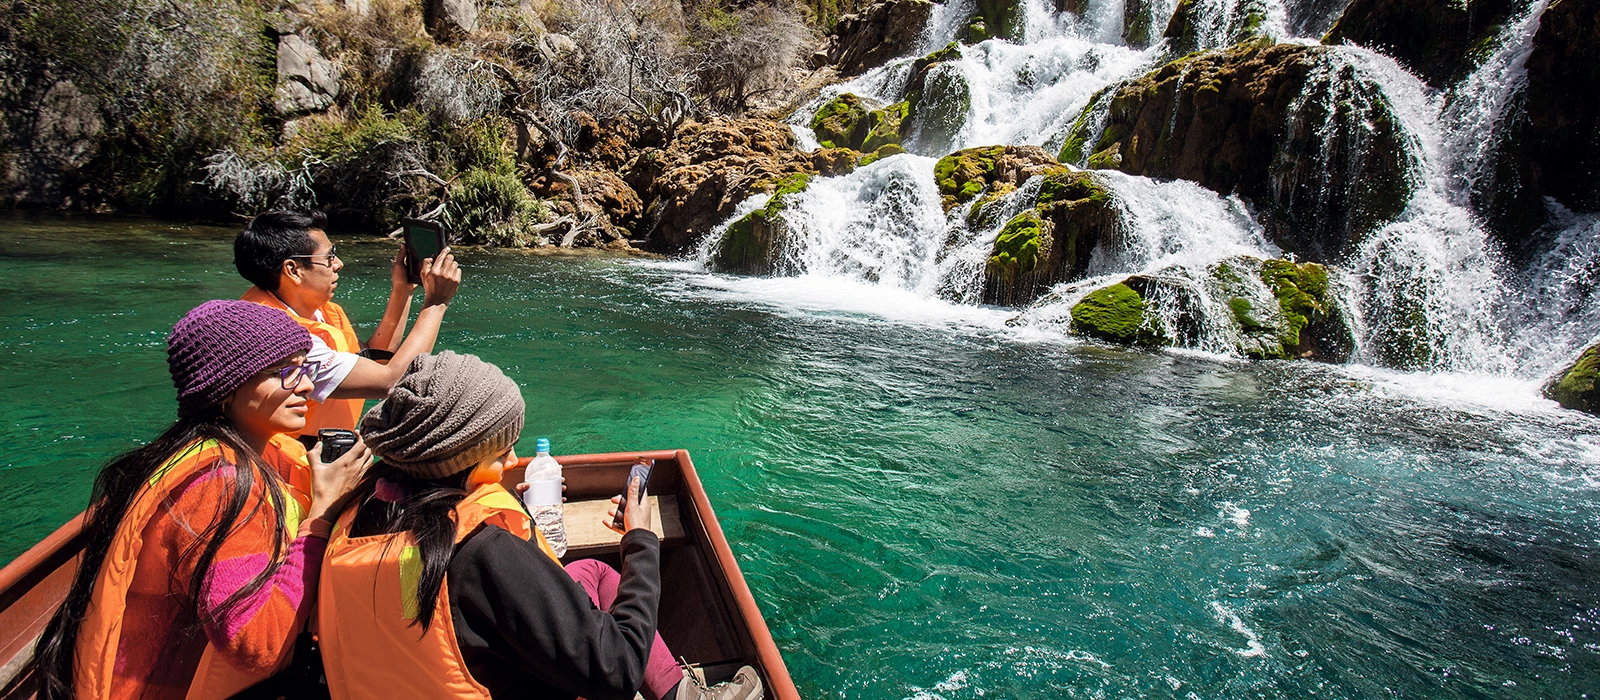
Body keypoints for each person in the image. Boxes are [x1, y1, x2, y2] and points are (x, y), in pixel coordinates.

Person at [316, 351, 762, 700]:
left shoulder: (358, 511)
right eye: (500, 453)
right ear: (459, 460)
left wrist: (516, 510)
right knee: (615, 616)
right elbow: (619, 670)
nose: (514, 460)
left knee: (592, 571)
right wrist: (639, 539)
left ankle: (678, 691)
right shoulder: (482, 554)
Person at [32, 300, 375, 700]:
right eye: (281, 372)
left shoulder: (209, 451)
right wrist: (322, 514)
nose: (304, 386)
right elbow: (258, 645)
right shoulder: (218, 486)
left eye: (303, 367)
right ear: (224, 391)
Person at [234, 209, 462, 442]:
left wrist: (402, 290)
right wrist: (437, 302)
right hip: (297, 457)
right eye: (329, 257)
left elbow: (374, 360)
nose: (338, 264)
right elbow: (389, 381)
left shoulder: (315, 311)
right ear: (293, 270)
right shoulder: (281, 338)